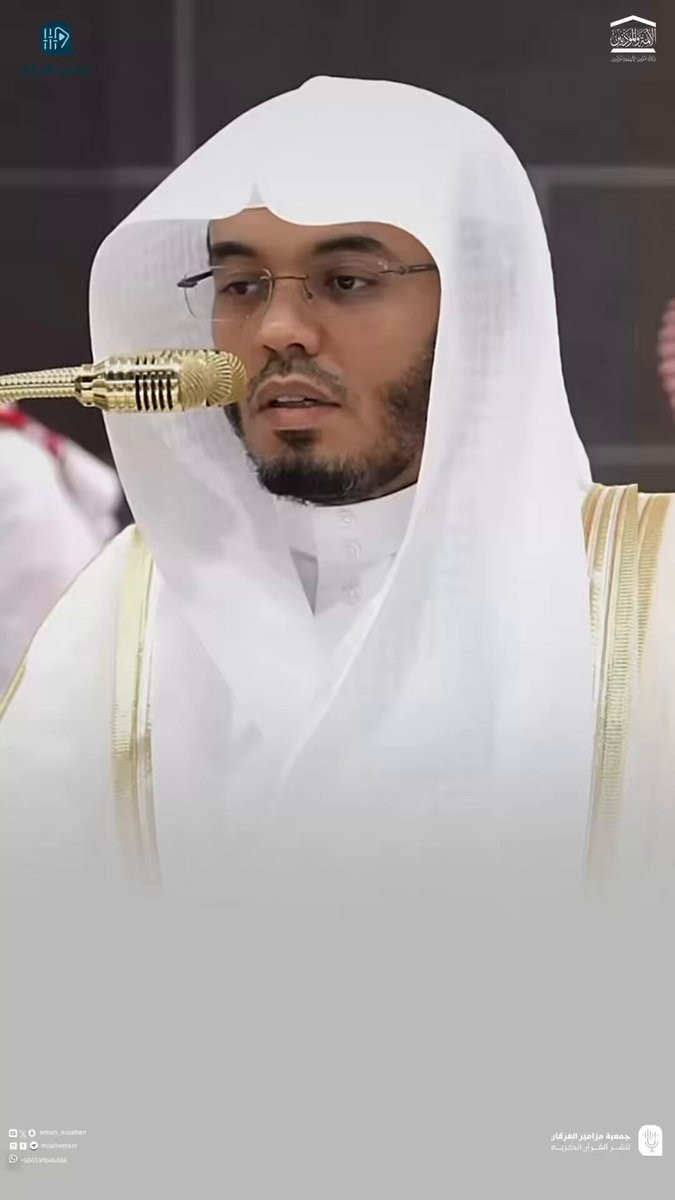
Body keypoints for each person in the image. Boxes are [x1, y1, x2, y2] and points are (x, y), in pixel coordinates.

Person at [2, 75, 674, 906]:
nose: (276, 329)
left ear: (481, 306)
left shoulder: (645, 600)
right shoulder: (125, 609)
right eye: (241, 286)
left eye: (347, 280)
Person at [0, 405, 121, 693]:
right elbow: (105, 493)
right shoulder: (22, 441)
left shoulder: (13, 455)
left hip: (37, 636)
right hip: (89, 612)